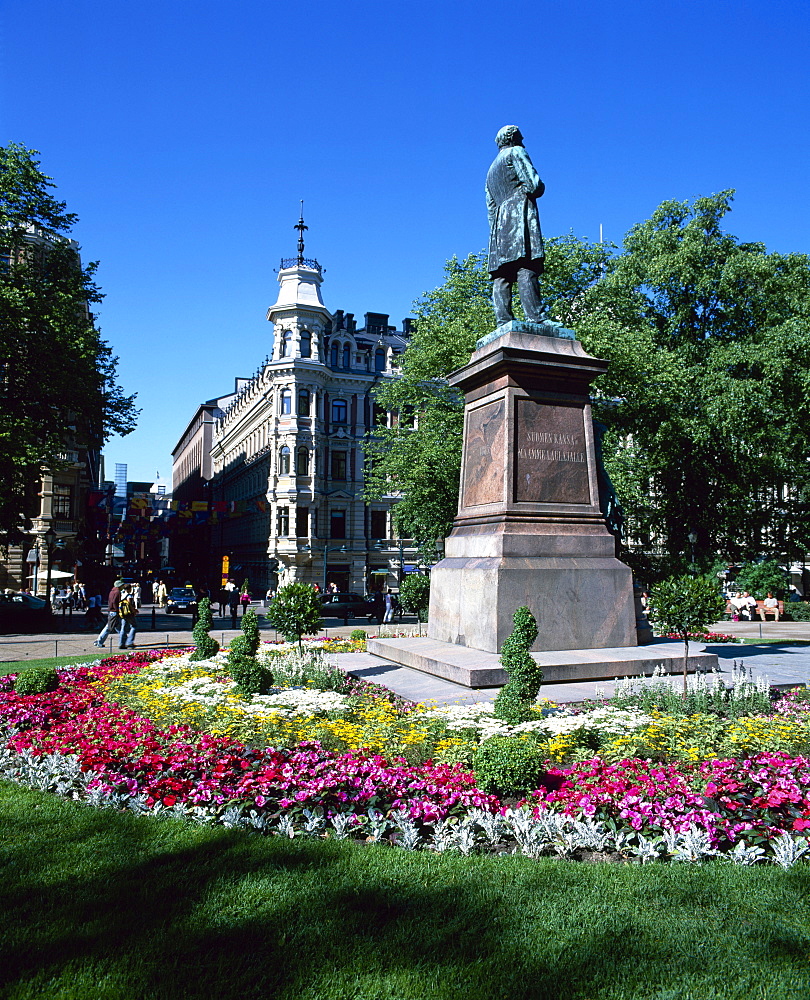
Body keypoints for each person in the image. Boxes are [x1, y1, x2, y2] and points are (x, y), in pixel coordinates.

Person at [486, 125, 546, 325]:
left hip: (498, 226)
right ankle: (536, 317)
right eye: (521, 138)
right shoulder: (516, 152)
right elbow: (534, 185)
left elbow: (490, 207)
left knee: (502, 274)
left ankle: (502, 320)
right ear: (512, 139)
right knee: (526, 265)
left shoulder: (490, 172)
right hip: (519, 214)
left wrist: (497, 230)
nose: (523, 142)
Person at [94, 578, 124, 648]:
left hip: (111, 611)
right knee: (109, 628)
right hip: (114, 611)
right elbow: (114, 602)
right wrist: (117, 610)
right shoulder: (117, 592)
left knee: (118, 627)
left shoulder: (112, 591)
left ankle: (124, 640)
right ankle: (99, 641)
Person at [118, 585, 138, 649]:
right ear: (129, 589)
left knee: (123, 628)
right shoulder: (129, 595)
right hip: (128, 613)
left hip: (123, 613)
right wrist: (134, 611)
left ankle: (121, 643)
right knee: (134, 626)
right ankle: (130, 642)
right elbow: (130, 604)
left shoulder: (121, 594)